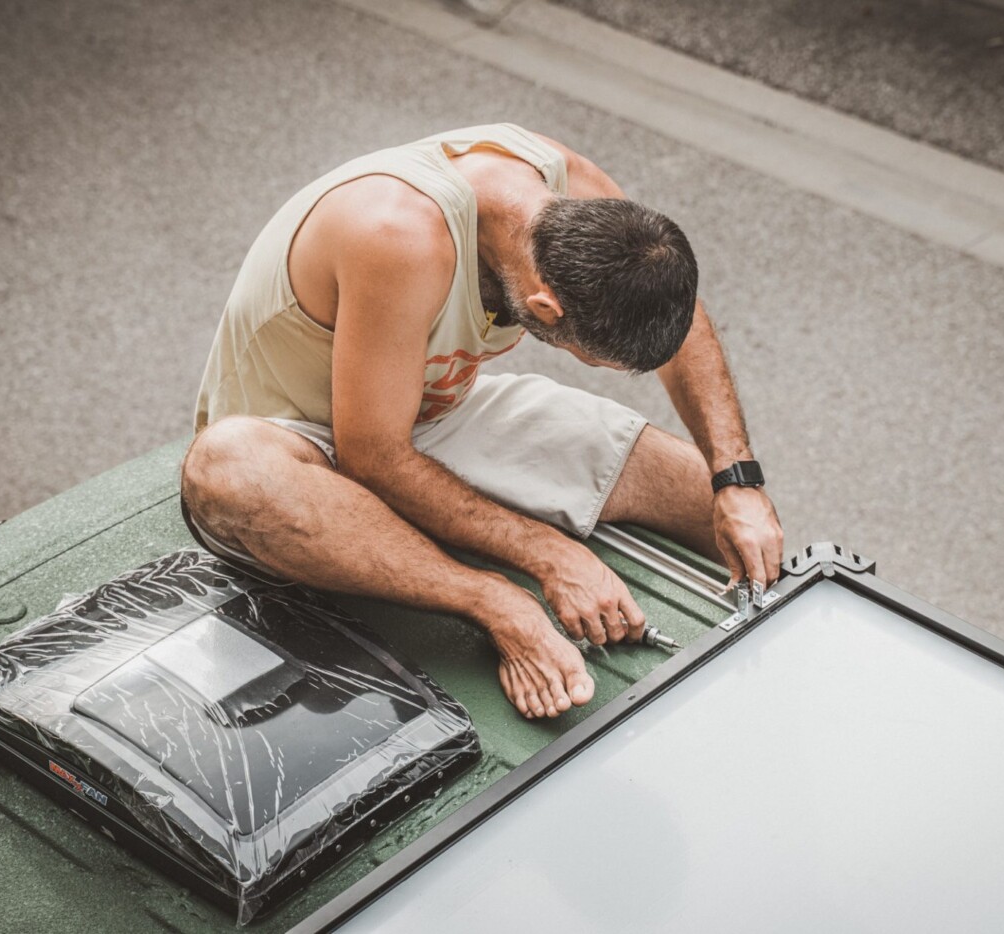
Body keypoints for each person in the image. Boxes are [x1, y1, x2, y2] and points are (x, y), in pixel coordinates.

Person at [182, 123, 782, 719]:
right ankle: (489, 601)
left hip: (437, 405)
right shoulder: (399, 236)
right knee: (226, 469)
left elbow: (681, 319)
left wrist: (739, 480)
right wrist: (547, 555)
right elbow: (373, 457)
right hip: (303, 437)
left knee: (694, 490)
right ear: (545, 308)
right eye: (590, 357)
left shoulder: (571, 192)